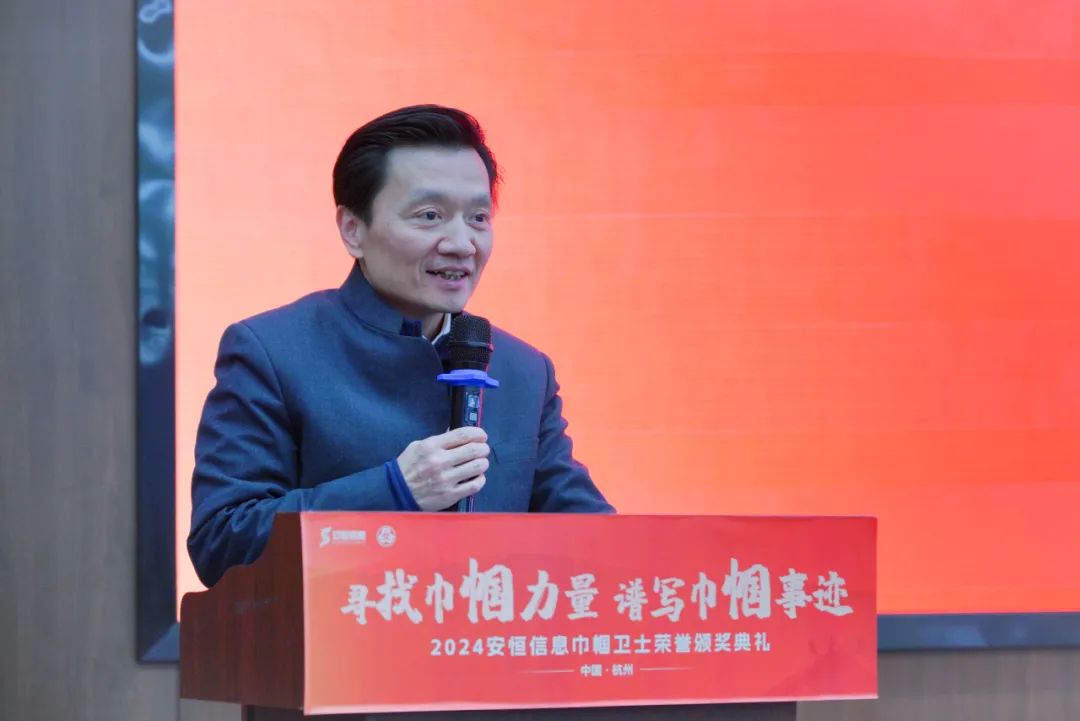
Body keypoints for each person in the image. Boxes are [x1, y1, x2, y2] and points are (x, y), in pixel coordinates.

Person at [187, 105, 613, 586]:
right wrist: (395, 489)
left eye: (478, 217)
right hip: (340, 633)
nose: (462, 243)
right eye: (430, 216)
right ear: (353, 230)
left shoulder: (524, 370)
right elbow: (222, 541)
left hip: (488, 632)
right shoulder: (272, 351)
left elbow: (595, 539)